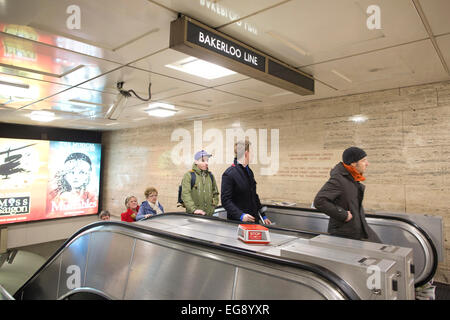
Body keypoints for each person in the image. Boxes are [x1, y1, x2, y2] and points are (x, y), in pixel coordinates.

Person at [313, 146, 381, 243]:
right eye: (363, 160)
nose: (367, 164)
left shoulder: (352, 178)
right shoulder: (339, 179)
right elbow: (319, 201)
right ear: (353, 163)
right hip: (345, 234)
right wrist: (343, 215)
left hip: (357, 230)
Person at [221, 140, 271, 224]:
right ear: (246, 153)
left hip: (253, 221)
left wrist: (263, 216)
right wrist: (241, 215)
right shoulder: (229, 174)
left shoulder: (249, 172)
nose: (254, 155)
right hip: (238, 223)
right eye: (253, 152)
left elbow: (254, 196)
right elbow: (225, 200)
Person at [181, 150, 219, 216]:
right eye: (203, 160)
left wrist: (213, 205)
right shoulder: (189, 175)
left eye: (207, 160)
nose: (206, 163)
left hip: (209, 215)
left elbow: (215, 192)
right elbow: (185, 194)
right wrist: (194, 210)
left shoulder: (210, 176)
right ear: (196, 161)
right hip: (194, 216)